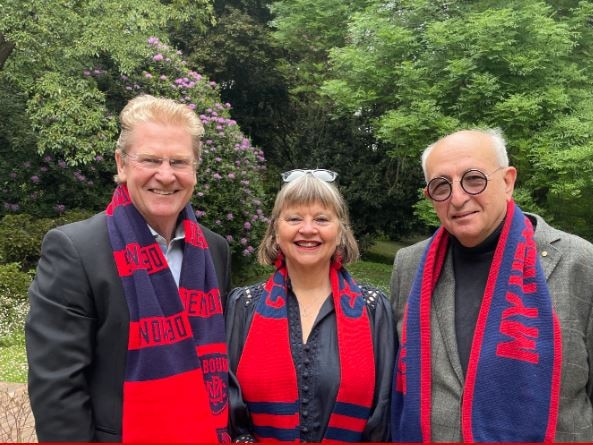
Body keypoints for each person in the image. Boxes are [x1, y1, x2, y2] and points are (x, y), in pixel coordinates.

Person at [26, 95, 232, 442]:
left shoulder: (215, 250)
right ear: (122, 164)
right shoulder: (75, 250)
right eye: (150, 159)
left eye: (179, 162)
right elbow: (57, 388)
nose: (165, 175)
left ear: (194, 170)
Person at [390, 128, 593, 442]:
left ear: (508, 181)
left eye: (473, 178)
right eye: (441, 185)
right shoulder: (409, 265)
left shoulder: (579, 262)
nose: (457, 198)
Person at [226, 169, 394, 442]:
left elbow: (382, 414)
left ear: (340, 232)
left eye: (321, 219)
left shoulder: (374, 310)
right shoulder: (243, 307)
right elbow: (226, 404)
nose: (307, 229)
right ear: (275, 232)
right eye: (294, 218)